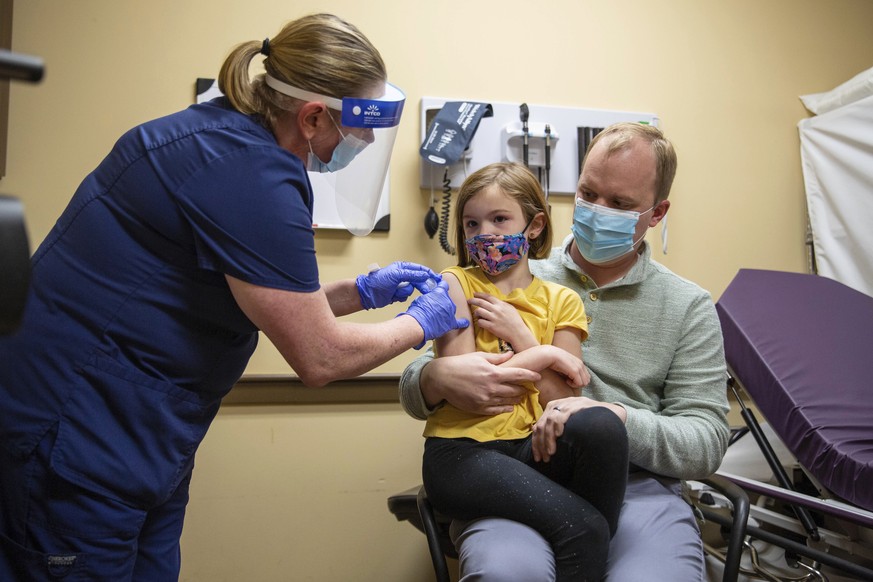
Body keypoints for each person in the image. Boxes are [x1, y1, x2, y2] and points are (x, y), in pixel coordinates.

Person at [0, 13, 468, 581]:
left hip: (135, 437)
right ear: (313, 116)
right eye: (362, 124)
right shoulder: (250, 173)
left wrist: (362, 292)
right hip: (78, 436)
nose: (367, 140)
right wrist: (423, 321)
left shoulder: (221, 138)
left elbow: (263, 294)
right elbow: (320, 358)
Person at [400, 122, 731, 581]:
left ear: (657, 214)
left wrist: (618, 417)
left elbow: (706, 439)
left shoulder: (687, 306)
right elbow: (429, 368)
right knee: (509, 575)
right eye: (588, 193)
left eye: (619, 204)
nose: (598, 210)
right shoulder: (510, 268)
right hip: (521, 465)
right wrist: (430, 380)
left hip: (641, 486)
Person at [422, 162, 629, 581]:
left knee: (603, 425)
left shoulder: (562, 300)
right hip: (463, 453)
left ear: (533, 226)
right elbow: (472, 383)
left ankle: (579, 529)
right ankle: (581, 529)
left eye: (500, 219)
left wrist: (522, 337)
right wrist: (544, 357)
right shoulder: (455, 284)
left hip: (531, 448)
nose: (485, 233)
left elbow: (564, 400)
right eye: (472, 223)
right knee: (584, 529)